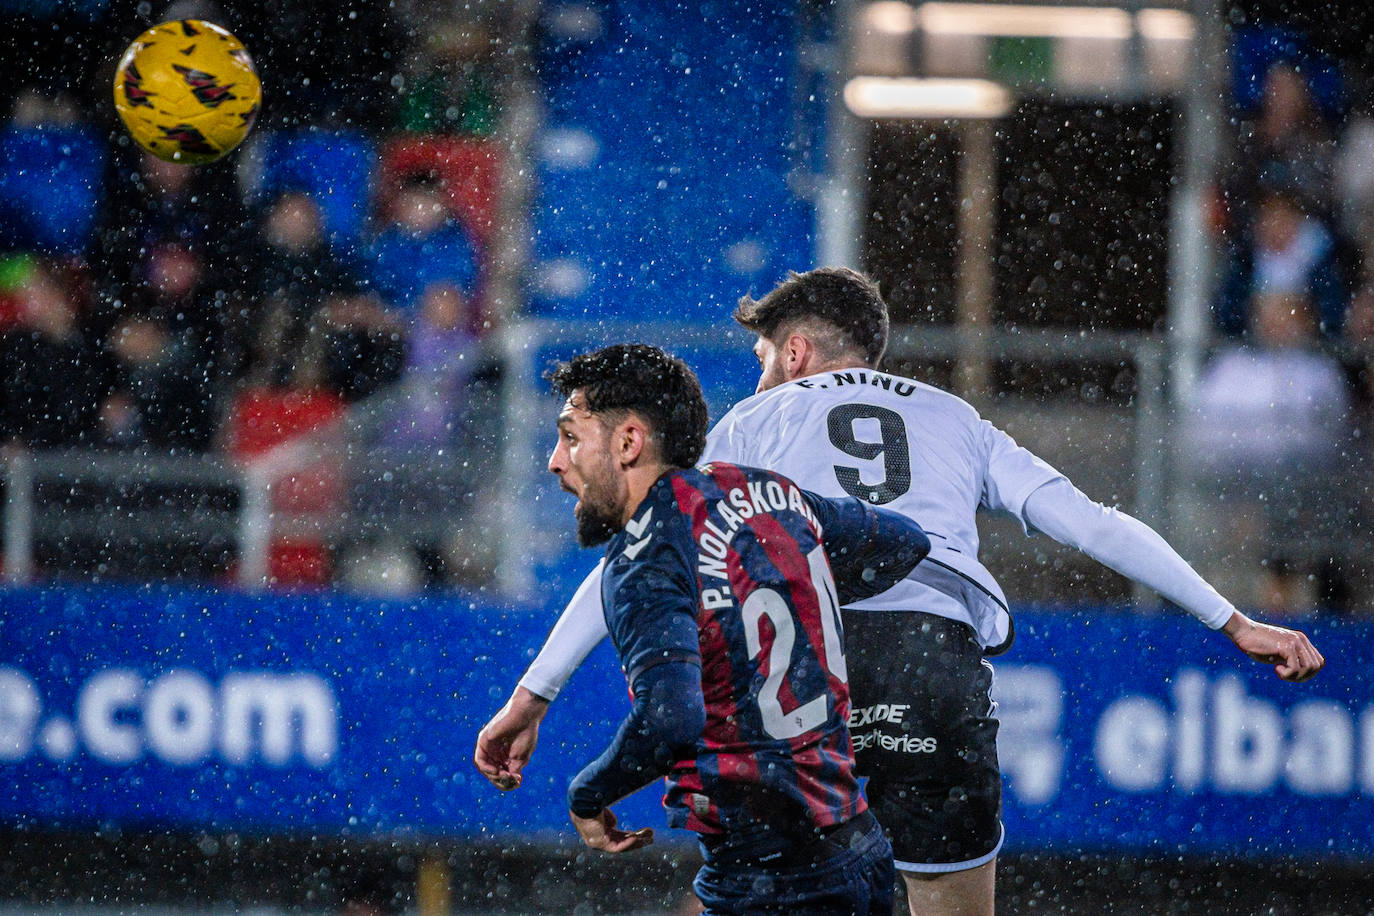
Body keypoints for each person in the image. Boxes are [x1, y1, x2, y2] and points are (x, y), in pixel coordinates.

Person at [476, 268, 1327, 916]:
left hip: (808, 679)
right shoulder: (959, 420)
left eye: (763, 356)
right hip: (934, 662)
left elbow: (640, 550)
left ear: (796, 351)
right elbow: (1090, 521)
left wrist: (533, 694)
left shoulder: (746, 427)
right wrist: (1233, 618)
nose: (761, 372)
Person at [537, 343, 931, 914]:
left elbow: (671, 717)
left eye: (572, 436)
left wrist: (587, 794)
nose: (556, 460)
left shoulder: (645, 557)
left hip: (768, 875)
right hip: (860, 849)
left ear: (628, 442)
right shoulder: (767, 491)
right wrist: (796, 582)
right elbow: (904, 541)